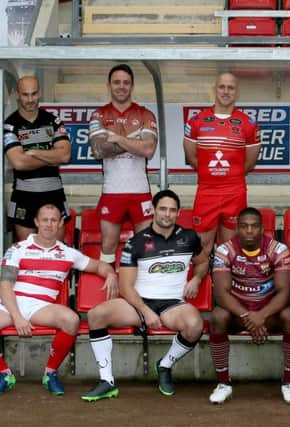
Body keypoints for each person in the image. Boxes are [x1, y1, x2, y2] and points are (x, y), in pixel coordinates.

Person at [81, 190, 206, 401]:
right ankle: (106, 381)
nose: (167, 214)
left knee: (195, 326)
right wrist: (145, 311)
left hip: (173, 304)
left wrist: (197, 279)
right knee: (95, 315)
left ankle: (165, 365)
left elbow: (203, 262)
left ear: (178, 213)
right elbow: (125, 285)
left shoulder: (189, 237)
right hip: (139, 302)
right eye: (162, 209)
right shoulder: (136, 242)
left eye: (172, 210)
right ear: (153, 211)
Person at [0, 203, 117, 396]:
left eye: (53, 220)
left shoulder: (68, 253)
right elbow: (4, 286)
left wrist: (111, 274)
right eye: (44, 220)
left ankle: (50, 373)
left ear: (60, 223)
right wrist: (17, 316)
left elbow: (98, 266)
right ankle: (4, 374)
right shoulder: (17, 249)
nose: (48, 224)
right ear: (37, 222)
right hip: (11, 303)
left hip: (41, 306)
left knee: (71, 320)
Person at [208, 207, 290, 404]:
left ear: (262, 228)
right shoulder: (225, 250)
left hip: (269, 316)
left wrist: (262, 315)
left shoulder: (278, 249)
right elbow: (221, 294)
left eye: (254, 226)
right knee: (217, 317)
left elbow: (286, 293)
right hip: (238, 316)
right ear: (237, 228)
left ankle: (288, 383)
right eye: (244, 226)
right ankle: (224, 384)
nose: (249, 231)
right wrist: (248, 316)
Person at [183, 72, 261, 274]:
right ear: (215, 89)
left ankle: (226, 297)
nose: (226, 91)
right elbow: (192, 157)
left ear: (236, 92)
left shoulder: (248, 123)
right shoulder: (196, 121)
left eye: (230, 87)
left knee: (230, 249)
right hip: (207, 192)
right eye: (222, 87)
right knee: (202, 247)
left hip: (234, 192)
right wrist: (214, 173)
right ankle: (201, 292)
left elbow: (250, 162)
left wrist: (229, 174)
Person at [88, 63, 158, 266]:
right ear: (109, 85)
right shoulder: (98, 115)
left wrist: (117, 139)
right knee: (108, 246)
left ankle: (145, 293)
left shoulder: (145, 114)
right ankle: (109, 288)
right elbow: (99, 151)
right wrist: (135, 141)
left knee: (146, 246)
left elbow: (148, 150)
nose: (121, 86)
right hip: (112, 191)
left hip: (140, 191)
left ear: (132, 86)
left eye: (126, 83)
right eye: (117, 82)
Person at [3, 76, 72, 242]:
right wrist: (52, 156)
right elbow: (18, 162)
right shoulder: (10, 124)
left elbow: (65, 155)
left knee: (56, 255)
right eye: (25, 94)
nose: (30, 99)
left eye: (34, 94)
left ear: (39, 93)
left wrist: (34, 152)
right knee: (27, 255)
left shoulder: (52, 121)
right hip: (24, 196)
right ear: (18, 95)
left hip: (53, 194)